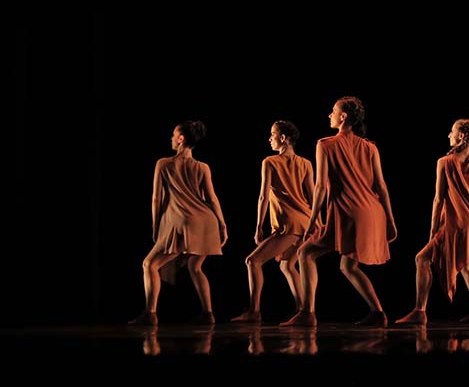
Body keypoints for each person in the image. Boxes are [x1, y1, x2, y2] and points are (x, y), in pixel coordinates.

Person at [281, 96, 397, 327]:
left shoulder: (325, 144)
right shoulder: (370, 147)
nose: (329, 115)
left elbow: (321, 186)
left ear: (343, 117)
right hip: (373, 212)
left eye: (333, 111)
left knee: (305, 254)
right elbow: (381, 187)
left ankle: (307, 313)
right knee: (348, 265)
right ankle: (378, 312)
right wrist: (391, 221)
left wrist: (313, 219)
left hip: (348, 210)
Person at [395, 119, 469, 326]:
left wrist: (432, 230)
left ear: (462, 136)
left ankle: (420, 311)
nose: (449, 135)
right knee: (466, 266)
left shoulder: (444, 162)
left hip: (458, 223)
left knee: (422, 259)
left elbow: (438, 199)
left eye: (452, 132)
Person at [129, 120, 227, 326]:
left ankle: (150, 313)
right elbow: (212, 198)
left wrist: (156, 227)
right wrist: (222, 224)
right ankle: (208, 313)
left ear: (181, 139)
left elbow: (156, 199)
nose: (171, 138)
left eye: (174, 135)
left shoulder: (164, 163)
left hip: (181, 222)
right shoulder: (203, 167)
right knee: (195, 266)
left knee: (149, 264)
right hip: (206, 221)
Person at [230, 120, 314, 324]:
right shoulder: (306, 163)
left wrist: (259, 227)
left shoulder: (270, 162)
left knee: (252, 261)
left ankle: (254, 311)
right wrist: (316, 224)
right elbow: (313, 197)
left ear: (283, 138)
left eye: (273, 134)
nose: (270, 138)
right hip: (305, 222)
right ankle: (303, 312)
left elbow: (263, 197)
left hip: (288, 224)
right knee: (286, 264)